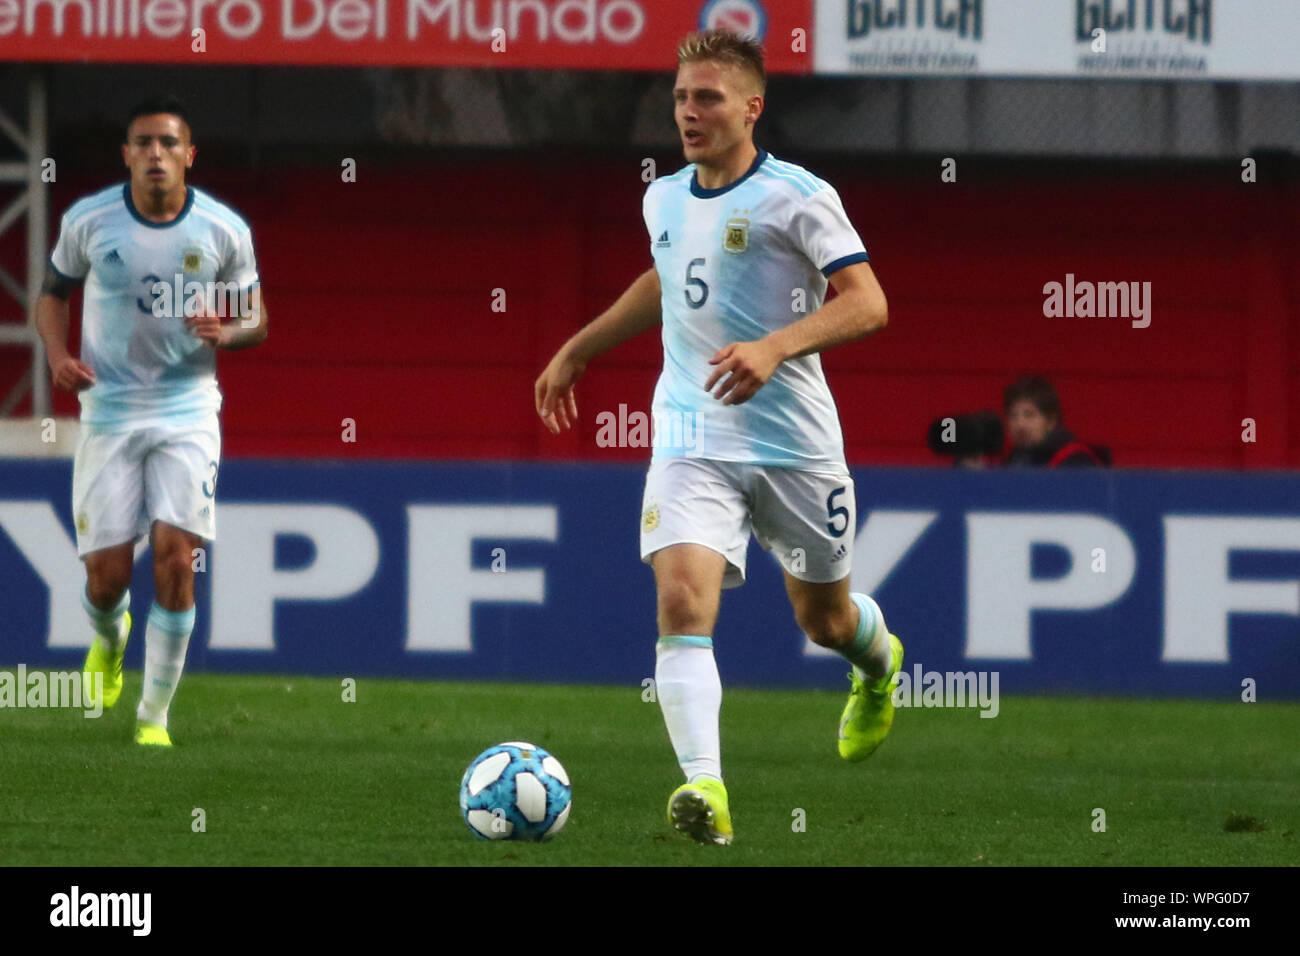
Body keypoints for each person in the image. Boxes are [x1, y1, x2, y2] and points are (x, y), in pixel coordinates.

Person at [534, 30, 897, 845]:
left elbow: (869, 303)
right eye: (679, 98)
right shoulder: (661, 197)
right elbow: (667, 277)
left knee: (826, 623)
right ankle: (706, 789)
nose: (689, 113)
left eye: (707, 98)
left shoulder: (798, 195)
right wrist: (580, 346)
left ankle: (878, 670)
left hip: (794, 444)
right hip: (692, 434)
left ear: (751, 107)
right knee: (679, 600)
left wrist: (774, 345)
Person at [35, 96, 268, 747]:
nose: (156, 153)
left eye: (169, 143)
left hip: (188, 411)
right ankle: (110, 640)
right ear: (127, 155)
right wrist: (57, 355)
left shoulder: (223, 230)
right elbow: (52, 295)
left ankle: (153, 718)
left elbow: (259, 320)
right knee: (106, 580)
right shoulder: (90, 221)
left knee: (175, 558)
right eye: (144, 143)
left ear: (189, 155)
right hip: (108, 413)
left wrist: (232, 329)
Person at [1001, 376, 1108, 467]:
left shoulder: (1075, 460)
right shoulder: (1014, 461)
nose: (1020, 424)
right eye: (1013, 416)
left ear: (1051, 421)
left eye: (1029, 415)